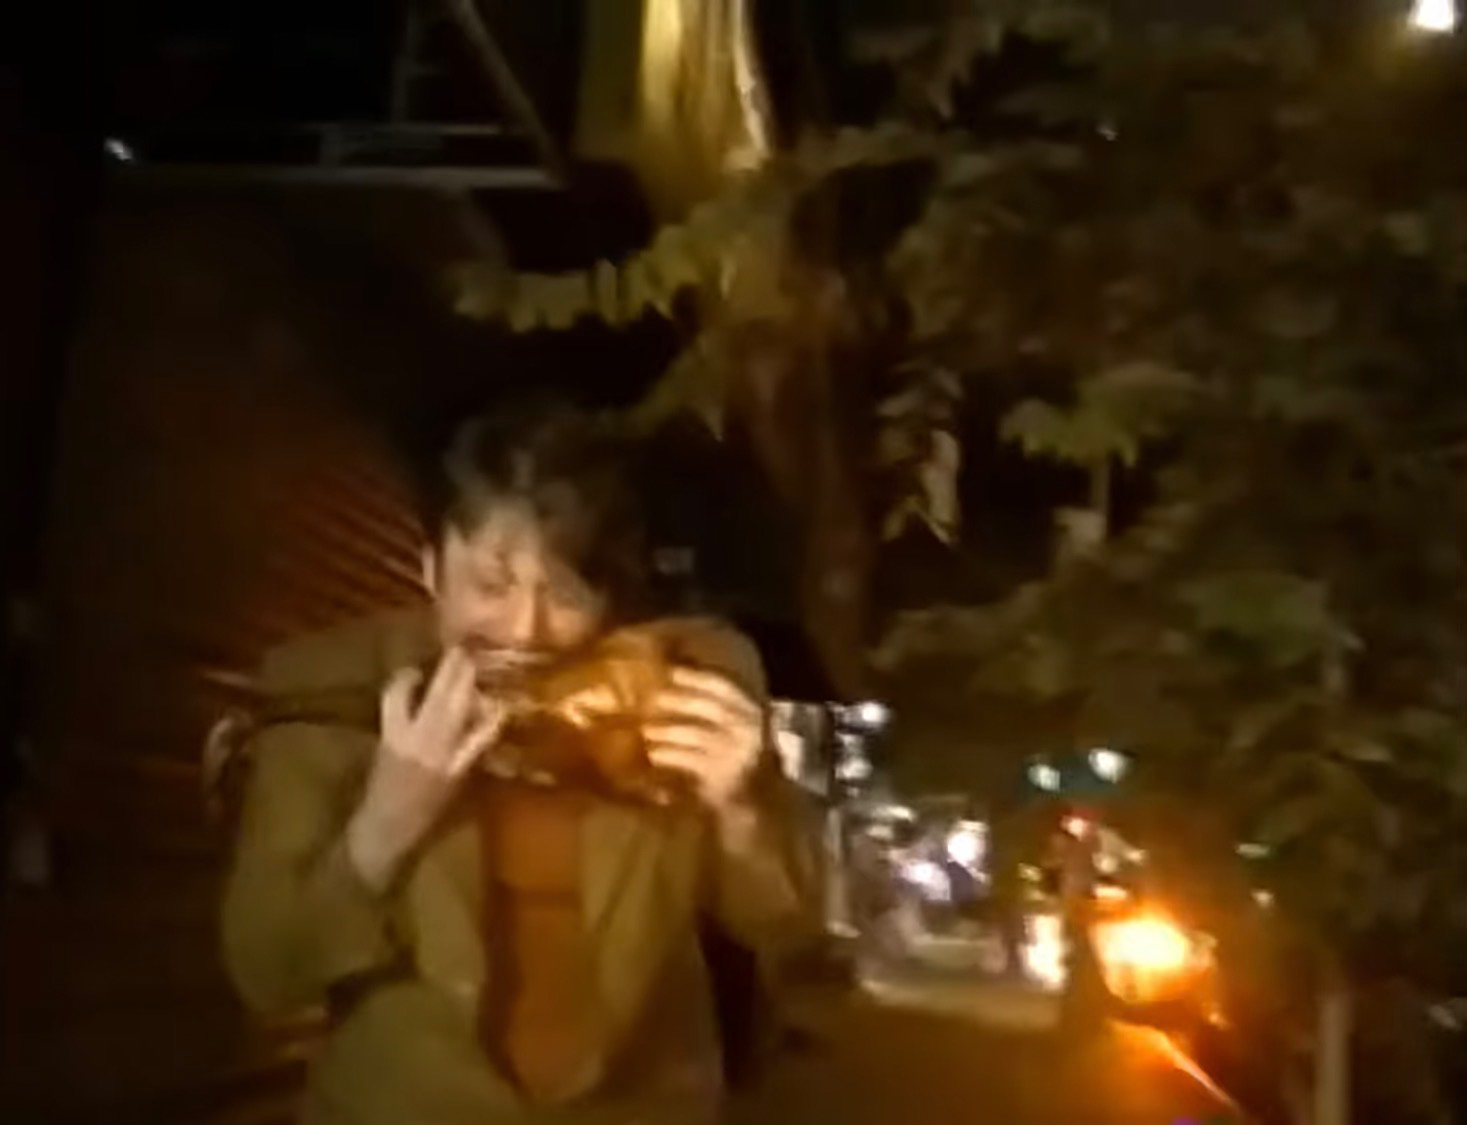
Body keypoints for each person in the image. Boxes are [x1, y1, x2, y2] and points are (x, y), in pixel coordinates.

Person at [221, 397, 818, 1125]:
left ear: (608, 594)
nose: (525, 630)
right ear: (431, 569)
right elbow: (268, 973)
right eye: (491, 584)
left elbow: (787, 931)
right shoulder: (328, 692)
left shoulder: (681, 684)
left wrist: (741, 810)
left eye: (564, 591)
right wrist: (386, 821)